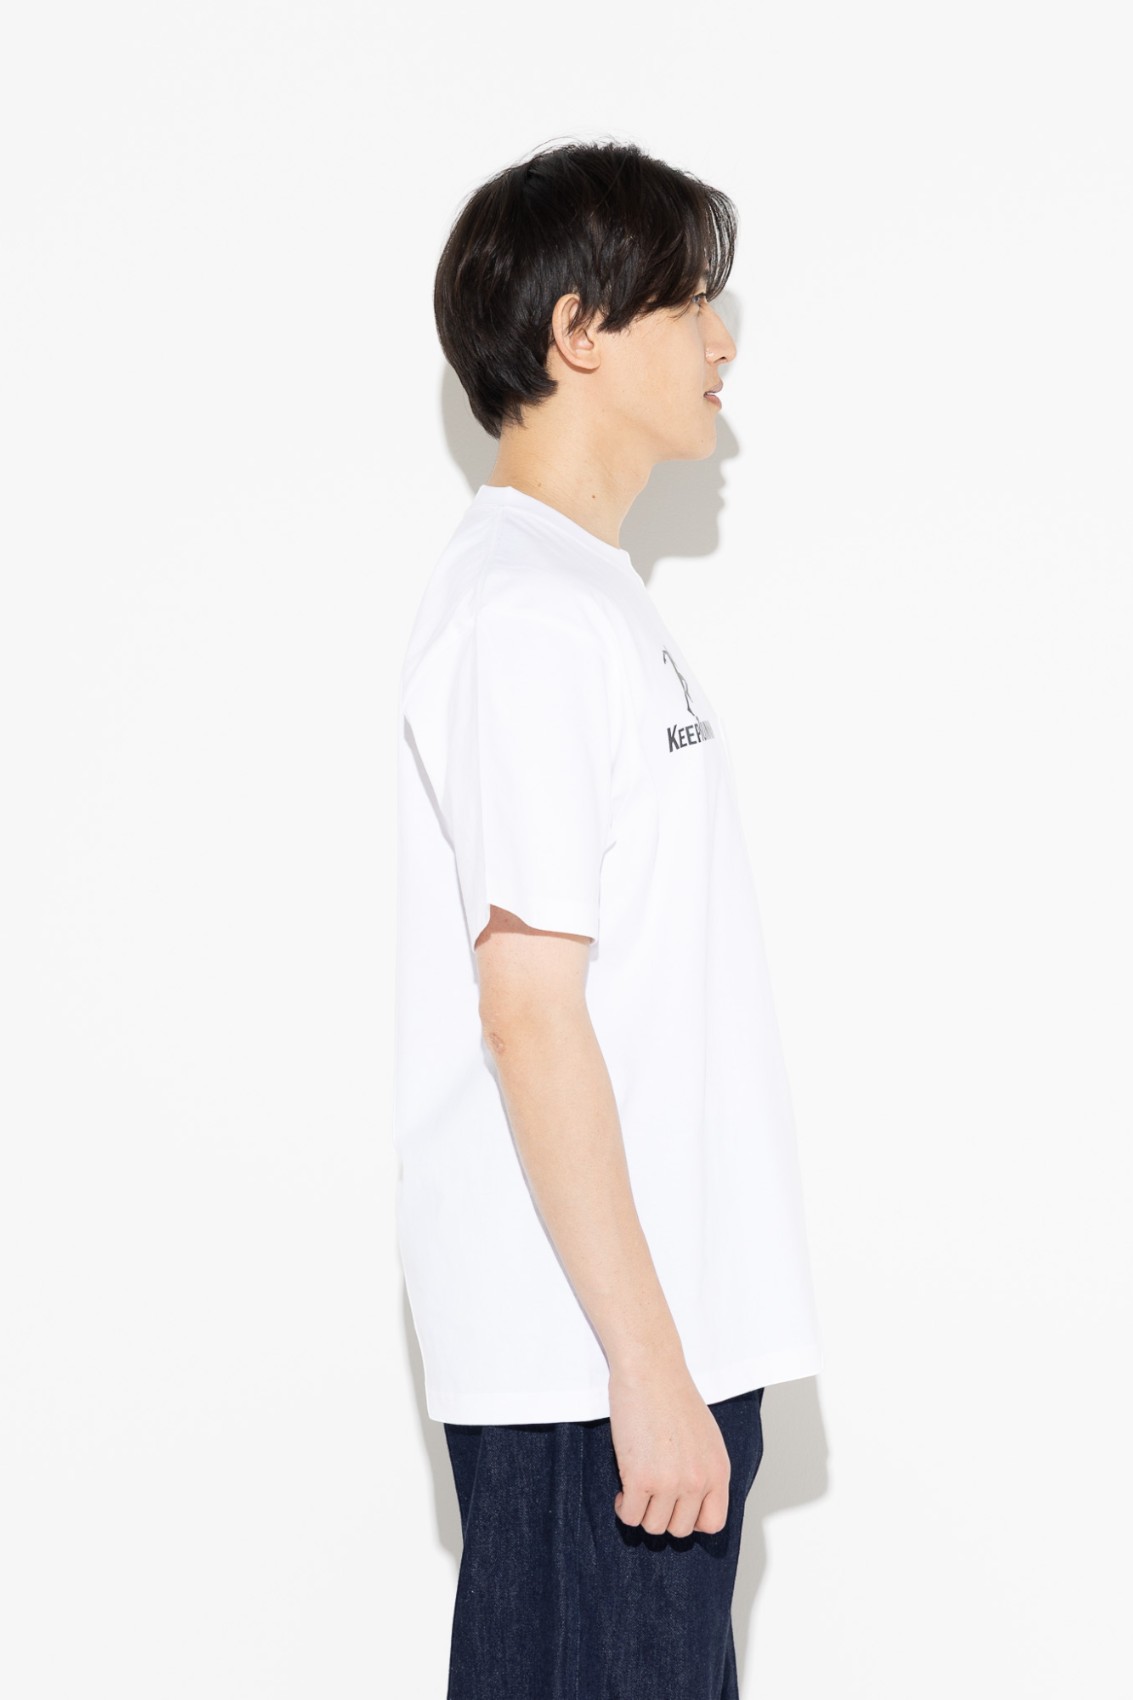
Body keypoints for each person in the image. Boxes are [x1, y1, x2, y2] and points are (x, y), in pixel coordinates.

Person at [394, 139, 823, 1700]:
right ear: (578, 331)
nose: (721, 341)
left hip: (642, 1353)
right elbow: (528, 1010)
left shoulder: (584, 599)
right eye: (690, 302)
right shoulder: (526, 615)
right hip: (594, 1371)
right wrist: (644, 1367)